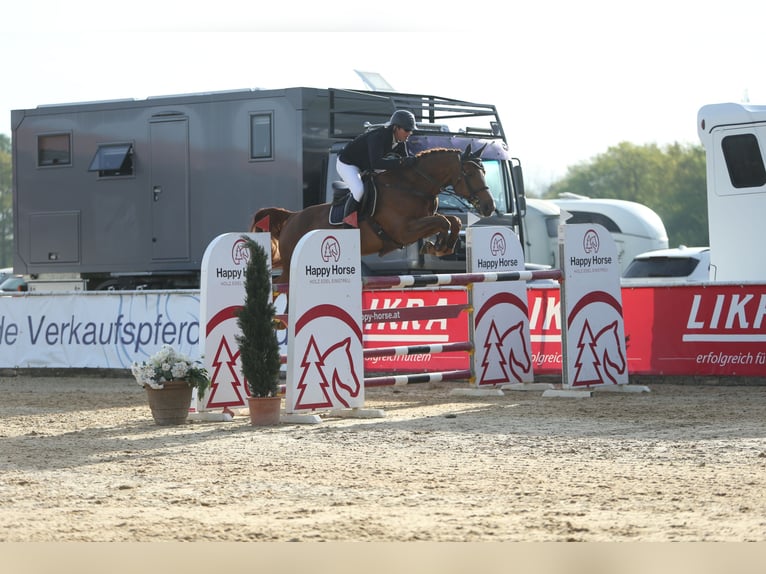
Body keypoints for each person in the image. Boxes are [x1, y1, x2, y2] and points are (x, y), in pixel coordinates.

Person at [336, 109, 418, 219]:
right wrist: (401, 162)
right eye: (407, 130)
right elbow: (377, 163)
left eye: (411, 130)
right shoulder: (378, 137)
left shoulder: (400, 142)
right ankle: (348, 223)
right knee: (359, 191)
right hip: (347, 164)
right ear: (395, 127)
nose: (409, 133)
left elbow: (405, 162)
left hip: (366, 166)